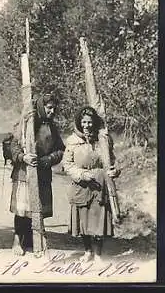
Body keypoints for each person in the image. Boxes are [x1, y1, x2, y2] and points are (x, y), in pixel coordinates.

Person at [9, 93, 65, 257]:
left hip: (42, 172)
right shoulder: (26, 123)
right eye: (49, 108)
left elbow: (60, 150)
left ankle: (34, 238)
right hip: (24, 173)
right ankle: (17, 240)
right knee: (23, 210)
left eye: (54, 108)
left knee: (37, 208)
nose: (52, 111)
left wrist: (47, 160)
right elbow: (12, 145)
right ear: (42, 107)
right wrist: (23, 157)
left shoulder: (51, 127)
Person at [62, 106, 120, 263]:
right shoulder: (72, 141)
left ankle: (98, 254)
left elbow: (112, 161)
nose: (87, 125)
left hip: (100, 186)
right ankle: (87, 251)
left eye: (89, 122)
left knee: (99, 218)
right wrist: (81, 174)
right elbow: (67, 165)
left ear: (94, 123)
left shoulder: (102, 140)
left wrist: (115, 170)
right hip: (81, 185)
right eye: (84, 122)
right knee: (84, 220)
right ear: (79, 123)